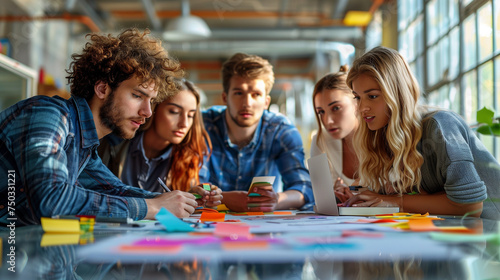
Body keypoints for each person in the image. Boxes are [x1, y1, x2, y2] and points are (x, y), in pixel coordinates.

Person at [0, 28, 199, 227]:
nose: (147, 112)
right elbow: (51, 199)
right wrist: (152, 207)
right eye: (137, 96)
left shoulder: (84, 145)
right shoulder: (47, 114)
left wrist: (180, 200)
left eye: (151, 101)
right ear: (102, 89)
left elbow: (114, 190)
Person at [341, 46, 500, 220]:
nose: (362, 108)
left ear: (398, 94)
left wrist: (392, 201)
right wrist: (361, 196)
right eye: (357, 97)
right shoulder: (384, 134)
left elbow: (470, 205)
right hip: (450, 237)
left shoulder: (440, 125)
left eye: (372, 96)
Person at [199, 53, 314, 212]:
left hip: (264, 226)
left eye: (256, 94)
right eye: (239, 93)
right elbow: (193, 187)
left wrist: (277, 200)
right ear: (225, 97)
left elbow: (304, 187)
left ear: (266, 102)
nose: (247, 103)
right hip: (209, 224)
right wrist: (226, 198)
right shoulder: (203, 126)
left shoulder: (281, 130)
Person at [99, 78, 222, 207]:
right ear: (153, 108)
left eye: (191, 115)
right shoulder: (111, 143)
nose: (184, 124)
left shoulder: (191, 154)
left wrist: (199, 196)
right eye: (174, 112)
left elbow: (194, 201)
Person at [311, 66, 359, 195]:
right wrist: (335, 196)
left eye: (336, 108)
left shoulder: (382, 137)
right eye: (321, 112)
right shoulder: (320, 141)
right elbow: (321, 197)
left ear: (357, 103)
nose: (327, 121)